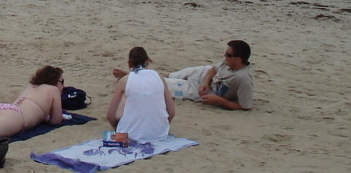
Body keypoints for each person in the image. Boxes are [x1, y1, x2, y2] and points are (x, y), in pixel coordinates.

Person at [114, 40, 253, 111]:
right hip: (202, 75)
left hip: (205, 91)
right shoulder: (227, 62)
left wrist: (219, 101)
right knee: (173, 75)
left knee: (167, 86)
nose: (224, 56)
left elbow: (245, 106)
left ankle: (134, 76)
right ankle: (141, 74)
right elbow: (213, 70)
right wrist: (205, 82)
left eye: (228, 55)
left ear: (239, 59)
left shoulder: (243, 79)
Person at [106, 47, 175, 142]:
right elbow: (171, 112)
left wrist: (117, 128)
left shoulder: (125, 80)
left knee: (124, 97)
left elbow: (110, 115)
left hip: (131, 134)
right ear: (148, 61)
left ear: (129, 63)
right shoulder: (159, 77)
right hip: (160, 133)